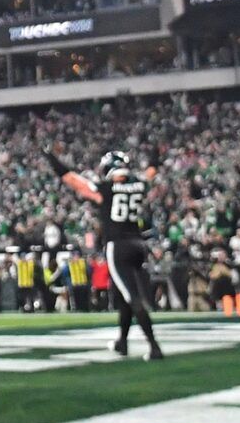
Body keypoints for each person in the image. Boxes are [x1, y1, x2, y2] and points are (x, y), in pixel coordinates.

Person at [49, 148, 163, 359]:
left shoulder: (106, 189)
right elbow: (151, 172)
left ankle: (154, 346)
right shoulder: (139, 183)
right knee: (123, 296)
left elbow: (74, 181)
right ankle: (122, 341)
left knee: (132, 297)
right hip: (138, 244)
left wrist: (53, 161)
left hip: (118, 246)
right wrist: (156, 156)